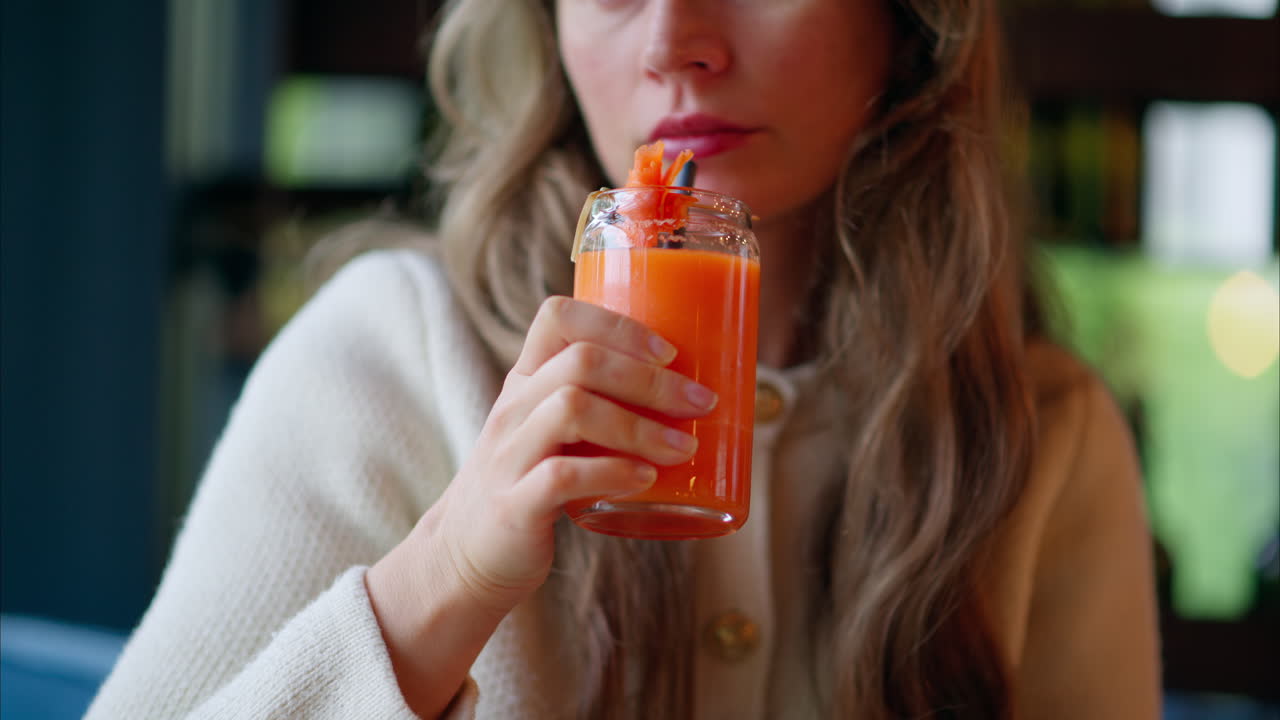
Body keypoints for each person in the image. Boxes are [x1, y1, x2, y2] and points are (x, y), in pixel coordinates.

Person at [87, 0, 1161, 718]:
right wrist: (444, 581)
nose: (672, 43)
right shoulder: (386, 355)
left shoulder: (1044, 435)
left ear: (909, 23)